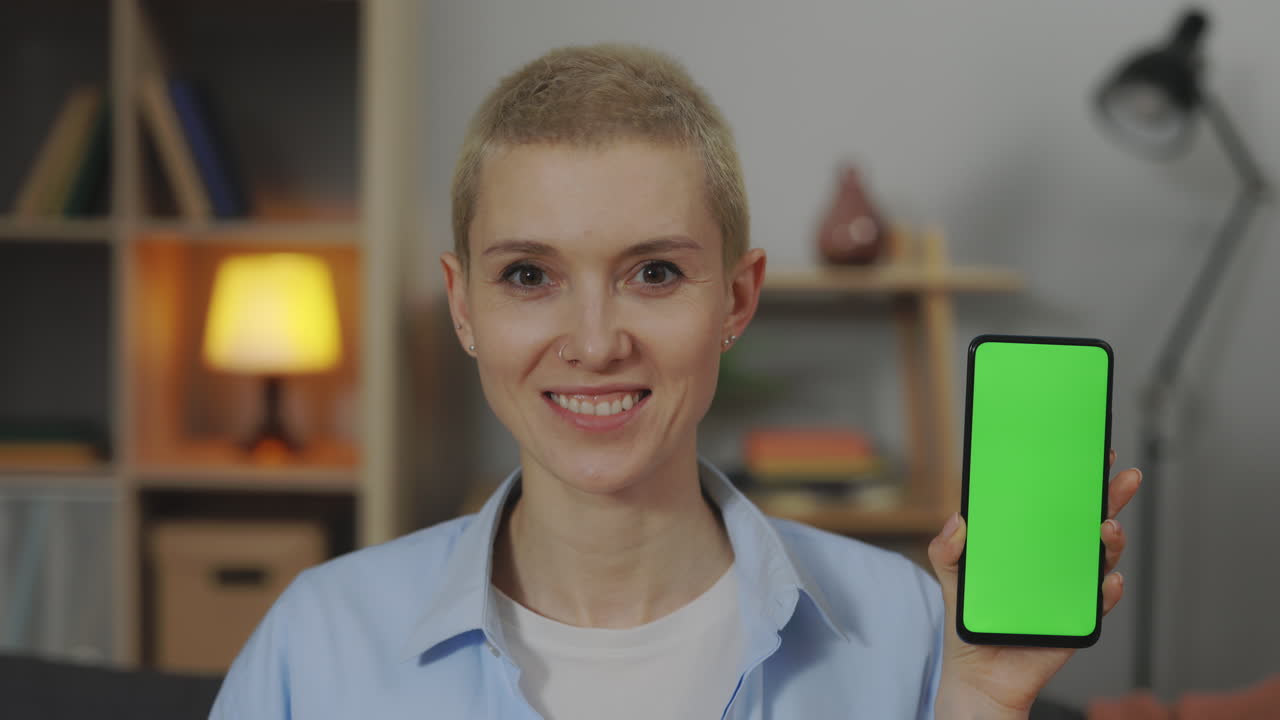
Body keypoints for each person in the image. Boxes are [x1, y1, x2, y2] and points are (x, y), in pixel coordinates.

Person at [210, 44, 1140, 719]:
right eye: (528, 276)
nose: (595, 343)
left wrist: (980, 701)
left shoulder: (911, 630)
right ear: (464, 306)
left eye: (653, 273)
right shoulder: (316, 644)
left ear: (737, 299)